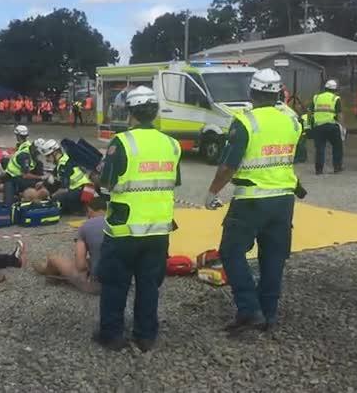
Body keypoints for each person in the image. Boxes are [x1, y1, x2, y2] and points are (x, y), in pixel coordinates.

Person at [205, 68, 303, 335]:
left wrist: (212, 192)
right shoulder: (293, 120)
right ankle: (267, 315)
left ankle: (249, 308)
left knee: (231, 251)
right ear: (279, 93)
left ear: (252, 92)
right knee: (273, 257)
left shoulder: (246, 122)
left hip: (251, 200)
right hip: (283, 200)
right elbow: (298, 155)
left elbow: (228, 166)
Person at [94, 85, 182, 352]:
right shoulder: (172, 144)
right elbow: (172, 182)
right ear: (154, 112)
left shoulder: (121, 142)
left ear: (130, 112)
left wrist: (95, 175)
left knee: (115, 283)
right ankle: (145, 335)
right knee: (149, 284)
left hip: (124, 230)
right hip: (158, 229)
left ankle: (112, 335)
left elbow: (106, 185)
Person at [33, 197, 106, 294]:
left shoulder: (86, 226)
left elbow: (80, 265)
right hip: (121, 284)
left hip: (98, 286)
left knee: (54, 259)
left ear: (90, 210)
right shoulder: (121, 223)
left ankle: (49, 275)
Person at [38, 139, 92, 214]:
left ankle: (79, 209)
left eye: (48, 156)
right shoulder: (64, 159)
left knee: (56, 199)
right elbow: (52, 176)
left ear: (56, 152)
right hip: (86, 189)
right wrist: (42, 184)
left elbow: (64, 189)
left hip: (85, 192)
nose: (47, 160)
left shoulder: (63, 165)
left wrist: (51, 197)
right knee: (53, 188)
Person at [2, 125, 45, 205]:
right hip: (14, 176)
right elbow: (25, 175)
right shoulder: (25, 155)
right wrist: (41, 178)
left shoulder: (26, 146)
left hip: (17, 173)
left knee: (39, 167)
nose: (38, 155)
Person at [308, 79, 344, 175]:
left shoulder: (316, 97)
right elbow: (339, 114)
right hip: (332, 126)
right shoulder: (335, 98)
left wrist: (309, 124)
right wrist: (342, 127)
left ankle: (319, 170)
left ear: (325, 88)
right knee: (337, 146)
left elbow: (309, 112)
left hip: (318, 126)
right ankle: (337, 167)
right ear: (335, 89)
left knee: (320, 148)